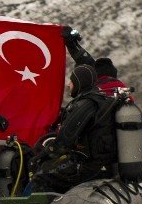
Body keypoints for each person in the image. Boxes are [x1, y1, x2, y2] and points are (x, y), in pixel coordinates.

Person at [26, 64, 118, 194]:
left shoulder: (85, 104)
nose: (68, 85)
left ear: (79, 83)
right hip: (103, 165)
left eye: (71, 81)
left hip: (89, 167)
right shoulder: (100, 101)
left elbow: (64, 140)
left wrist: (41, 156)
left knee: (41, 177)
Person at [61, 26, 131, 98]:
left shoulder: (95, 100)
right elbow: (87, 63)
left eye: (72, 81)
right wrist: (72, 45)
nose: (68, 84)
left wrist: (71, 45)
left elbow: (89, 65)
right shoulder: (122, 95)